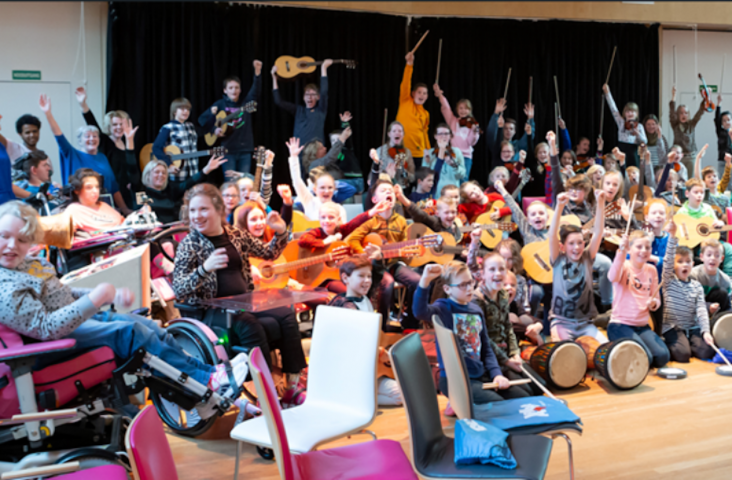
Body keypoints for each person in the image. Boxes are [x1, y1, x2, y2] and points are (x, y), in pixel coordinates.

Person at [0, 200, 253, 407]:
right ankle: (205, 381)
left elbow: (61, 294)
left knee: (149, 326)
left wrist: (104, 295)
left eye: (21, 240)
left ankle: (210, 373)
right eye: (5, 237)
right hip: (51, 342)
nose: (13, 246)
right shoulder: (4, 286)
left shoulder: (27, 265)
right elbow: (46, 328)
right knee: (130, 332)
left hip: (71, 322)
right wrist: (95, 298)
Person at [172, 183, 307, 406]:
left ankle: (291, 386)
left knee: (285, 314)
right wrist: (205, 268)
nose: (196, 216)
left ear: (218, 210)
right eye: (193, 211)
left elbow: (269, 253)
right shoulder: (190, 244)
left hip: (244, 303)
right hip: (211, 312)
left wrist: (281, 231)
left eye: (203, 209)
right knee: (250, 324)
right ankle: (267, 395)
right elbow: (179, 289)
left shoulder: (235, 234)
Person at [413, 262, 511, 405]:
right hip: (454, 379)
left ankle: (458, 404)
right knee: (498, 405)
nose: (469, 288)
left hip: (478, 374)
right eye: (462, 285)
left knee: (521, 395)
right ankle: (457, 403)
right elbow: (419, 312)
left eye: (470, 283)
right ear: (447, 289)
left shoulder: (476, 309)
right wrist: (425, 280)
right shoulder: (443, 308)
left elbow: (486, 348)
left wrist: (496, 374)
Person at [345, 180, 421, 328]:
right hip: (374, 265)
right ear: (374, 200)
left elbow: (404, 245)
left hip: (393, 263)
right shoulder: (370, 221)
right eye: (384, 190)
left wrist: (405, 252)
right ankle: (381, 324)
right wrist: (366, 254)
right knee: (387, 284)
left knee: (417, 280)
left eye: (391, 191)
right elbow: (351, 240)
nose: (388, 192)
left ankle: (410, 322)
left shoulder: (401, 221)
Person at [329, 256, 403, 406]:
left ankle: (357, 395)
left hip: (371, 363)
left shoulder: (365, 300)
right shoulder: (347, 308)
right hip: (357, 369)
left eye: (368, 276)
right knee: (400, 395)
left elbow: (373, 335)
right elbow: (354, 344)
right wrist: (381, 352)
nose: (367, 280)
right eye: (361, 276)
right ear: (345, 278)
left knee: (407, 387)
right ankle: (352, 397)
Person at [38, 94, 129, 214]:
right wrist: (48, 114)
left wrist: (124, 209)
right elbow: (58, 135)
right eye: (87, 136)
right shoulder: (71, 154)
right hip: (81, 210)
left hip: (104, 209)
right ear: (79, 141)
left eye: (95, 136)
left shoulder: (102, 157)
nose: (92, 139)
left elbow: (114, 187)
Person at [471, 252, 544, 398]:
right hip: (489, 360)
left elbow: (508, 328)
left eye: (501, 269)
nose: (498, 273)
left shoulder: (503, 295)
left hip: (506, 356)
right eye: (492, 270)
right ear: (482, 274)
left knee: (539, 387)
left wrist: (515, 353)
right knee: (525, 395)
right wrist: (506, 361)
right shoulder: (476, 300)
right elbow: (483, 339)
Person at [126, 118, 226, 224]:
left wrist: (207, 168)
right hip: (150, 234)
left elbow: (189, 182)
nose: (161, 175)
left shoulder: (170, 190)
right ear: (148, 174)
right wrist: (129, 141)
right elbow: (131, 168)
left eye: (164, 172)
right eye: (157, 172)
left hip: (171, 233)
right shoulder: (140, 189)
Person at [547, 191, 609, 342]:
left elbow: (598, 232)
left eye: (580, 243)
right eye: (571, 243)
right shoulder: (558, 259)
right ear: (562, 246)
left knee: (606, 351)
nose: (577, 247)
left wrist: (601, 203)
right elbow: (551, 235)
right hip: (561, 323)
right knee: (565, 356)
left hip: (585, 324)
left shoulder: (587, 258)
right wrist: (559, 207)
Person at [606, 231, 670, 369]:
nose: (644, 251)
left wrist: (653, 303)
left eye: (647, 248)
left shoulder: (652, 270)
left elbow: (656, 299)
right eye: (639, 247)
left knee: (663, 356)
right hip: (620, 325)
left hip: (642, 326)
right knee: (644, 356)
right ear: (630, 248)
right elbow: (612, 277)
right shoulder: (623, 266)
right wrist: (620, 252)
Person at [198, 60, 262, 177]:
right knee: (230, 183)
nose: (234, 90)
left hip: (245, 150)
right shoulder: (220, 104)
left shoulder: (245, 103)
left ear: (240, 90)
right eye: (231, 87)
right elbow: (202, 120)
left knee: (244, 183)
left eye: (236, 87)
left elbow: (255, 91)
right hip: (228, 151)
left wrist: (257, 73)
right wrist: (214, 130)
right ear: (225, 90)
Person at [661, 227, 716, 362]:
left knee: (707, 351)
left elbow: (702, 310)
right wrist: (672, 238)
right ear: (673, 265)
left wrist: (706, 331)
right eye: (680, 262)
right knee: (683, 355)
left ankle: (688, 342)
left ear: (692, 264)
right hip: (673, 327)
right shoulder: (668, 280)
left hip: (692, 328)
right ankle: (668, 342)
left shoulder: (697, 286)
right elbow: (667, 261)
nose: (684, 265)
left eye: (687, 262)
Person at [74, 86, 133, 209]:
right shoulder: (104, 141)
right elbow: (91, 121)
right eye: (114, 124)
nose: (118, 127)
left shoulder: (129, 143)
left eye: (121, 124)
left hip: (127, 194)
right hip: (109, 193)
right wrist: (83, 104)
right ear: (109, 126)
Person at [287, 138, 347, 223]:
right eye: (322, 187)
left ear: (334, 189)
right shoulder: (310, 202)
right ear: (315, 189)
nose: (326, 191)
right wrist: (294, 157)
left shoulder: (340, 209)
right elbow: (297, 181)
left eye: (330, 187)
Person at [272, 60, 332, 145]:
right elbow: (278, 101)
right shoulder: (298, 110)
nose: (309, 97)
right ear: (304, 97)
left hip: (317, 154)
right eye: (307, 94)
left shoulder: (321, 110)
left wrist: (323, 68)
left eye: (312, 94)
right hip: (299, 154)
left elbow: (324, 92)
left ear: (318, 97)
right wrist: (274, 78)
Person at [433, 83, 480, 182]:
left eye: (466, 108)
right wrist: (440, 96)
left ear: (470, 110)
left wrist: (475, 132)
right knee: (451, 178)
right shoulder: (452, 120)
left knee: (463, 179)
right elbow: (446, 107)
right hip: (452, 154)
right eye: (461, 108)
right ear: (457, 109)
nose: (463, 111)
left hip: (466, 156)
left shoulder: (472, 124)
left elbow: (471, 143)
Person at [65, 169, 125, 237]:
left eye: (97, 187)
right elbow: (66, 235)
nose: (95, 191)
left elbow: (124, 222)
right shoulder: (73, 210)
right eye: (89, 187)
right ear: (76, 190)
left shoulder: (103, 205)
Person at [152, 98, 199, 183]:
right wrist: (169, 164)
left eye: (188, 109)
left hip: (193, 171)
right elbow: (156, 148)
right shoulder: (168, 127)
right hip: (178, 173)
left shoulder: (191, 126)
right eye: (182, 108)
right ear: (174, 111)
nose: (186, 111)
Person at [396, 51, 430, 168]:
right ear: (413, 93)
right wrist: (409, 64)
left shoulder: (425, 113)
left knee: (418, 182)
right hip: (401, 150)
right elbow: (406, 83)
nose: (422, 95)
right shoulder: (405, 101)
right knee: (402, 181)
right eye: (419, 92)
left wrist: (428, 150)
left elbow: (425, 132)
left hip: (419, 153)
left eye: (425, 93)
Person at [603, 83, 647, 168]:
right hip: (621, 151)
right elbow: (613, 109)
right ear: (624, 114)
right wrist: (607, 92)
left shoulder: (640, 126)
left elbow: (645, 141)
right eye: (627, 111)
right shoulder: (621, 122)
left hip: (633, 154)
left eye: (632, 111)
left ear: (636, 114)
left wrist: (638, 134)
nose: (630, 113)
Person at [487, 98, 535, 166]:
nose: (508, 130)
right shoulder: (497, 144)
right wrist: (496, 113)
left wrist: (530, 119)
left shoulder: (517, 145)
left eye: (511, 129)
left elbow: (529, 135)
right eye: (505, 128)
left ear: (515, 131)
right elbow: (491, 132)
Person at [669, 86, 706, 175]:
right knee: (678, 179)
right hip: (679, 157)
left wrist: (705, 99)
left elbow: (699, 113)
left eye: (685, 113)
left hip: (691, 157)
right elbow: (671, 112)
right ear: (678, 114)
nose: (683, 115)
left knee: (690, 180)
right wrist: (673, 97)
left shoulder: (691, 124)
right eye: (681, 113)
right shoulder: (675, 125)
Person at [692, 239, 732, 316]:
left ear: (721, 259)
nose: (713, 258)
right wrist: (708, 307)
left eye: (717, 255)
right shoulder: (693, 275)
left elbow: (728, 306)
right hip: (696, 311)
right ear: (702, 257)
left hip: (715, 311)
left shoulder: (725, 279)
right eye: (709, 255)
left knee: (722, 292)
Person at [422, 124, 465, 195]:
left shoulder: (456, 152)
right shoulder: (429, 152)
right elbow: (424, 176)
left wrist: (453, 165)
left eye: (446, 134)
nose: (443, 136)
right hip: (436, 193)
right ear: (435, 136)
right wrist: (427, 162)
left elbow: (462, 175)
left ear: (450, 136)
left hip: (452, 192)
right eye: (440, 134)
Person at [373, 121, 416, 189]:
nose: (397, 133)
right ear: (389, 134)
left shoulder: (407, 152)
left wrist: (404, 171)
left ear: (403, 135)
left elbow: (412, 178)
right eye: (394, 131)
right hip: (384, 187)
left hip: (401, 189)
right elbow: (373, 174)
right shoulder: (380, 151)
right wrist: (386, 173)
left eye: (400, 131)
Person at [329, 111, 364, 194]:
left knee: (331, 184)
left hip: (356, 181)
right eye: (333, 141)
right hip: (348, 181)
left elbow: (346, 137)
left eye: (338, 140)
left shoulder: (346, 149)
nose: (335, 142)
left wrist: (344, 123)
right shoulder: (333, 154)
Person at [715, 95, 732, 174]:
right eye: (724, 121)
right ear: (722, 123)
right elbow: (717, 119)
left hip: (731, 161)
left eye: (728, 120)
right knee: (722, 183)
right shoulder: (720, 132)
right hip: (722, 161)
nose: (727, 122)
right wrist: (719, 103)